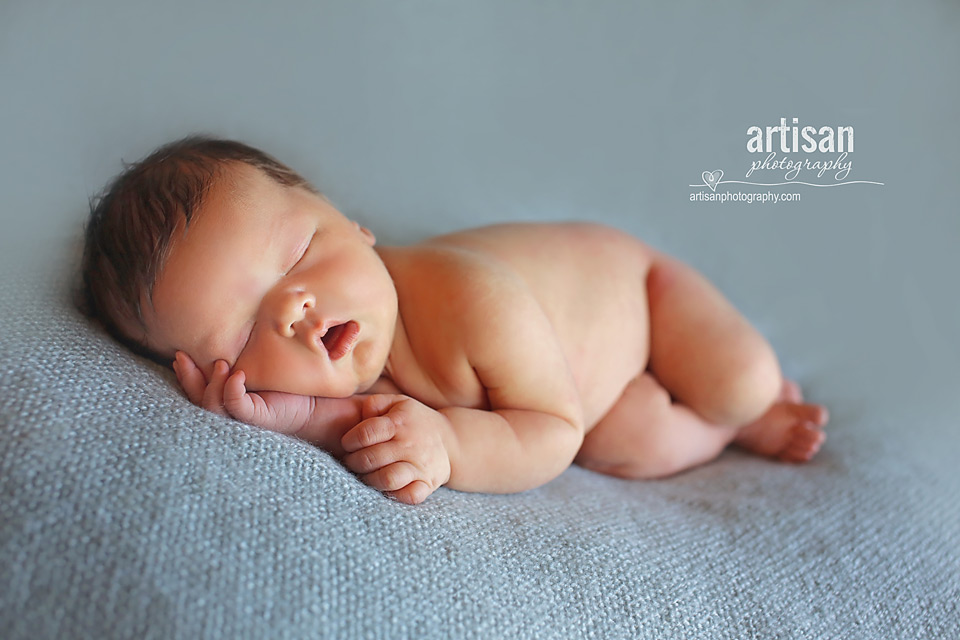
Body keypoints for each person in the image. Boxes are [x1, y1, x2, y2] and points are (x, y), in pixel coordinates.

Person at [81, 136, 828, 505]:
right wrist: (291, 416)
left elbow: (552, 435)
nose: (293, 309)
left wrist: (447, 445)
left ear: (355, 225)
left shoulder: (469, 303)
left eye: (299, 254)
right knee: (628, 444)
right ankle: (726, 434)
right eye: (241, 335)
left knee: (735, 381)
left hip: (644, 295)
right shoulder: (354, 352)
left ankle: (750, 412)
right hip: (593, 392)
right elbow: (362, 412)